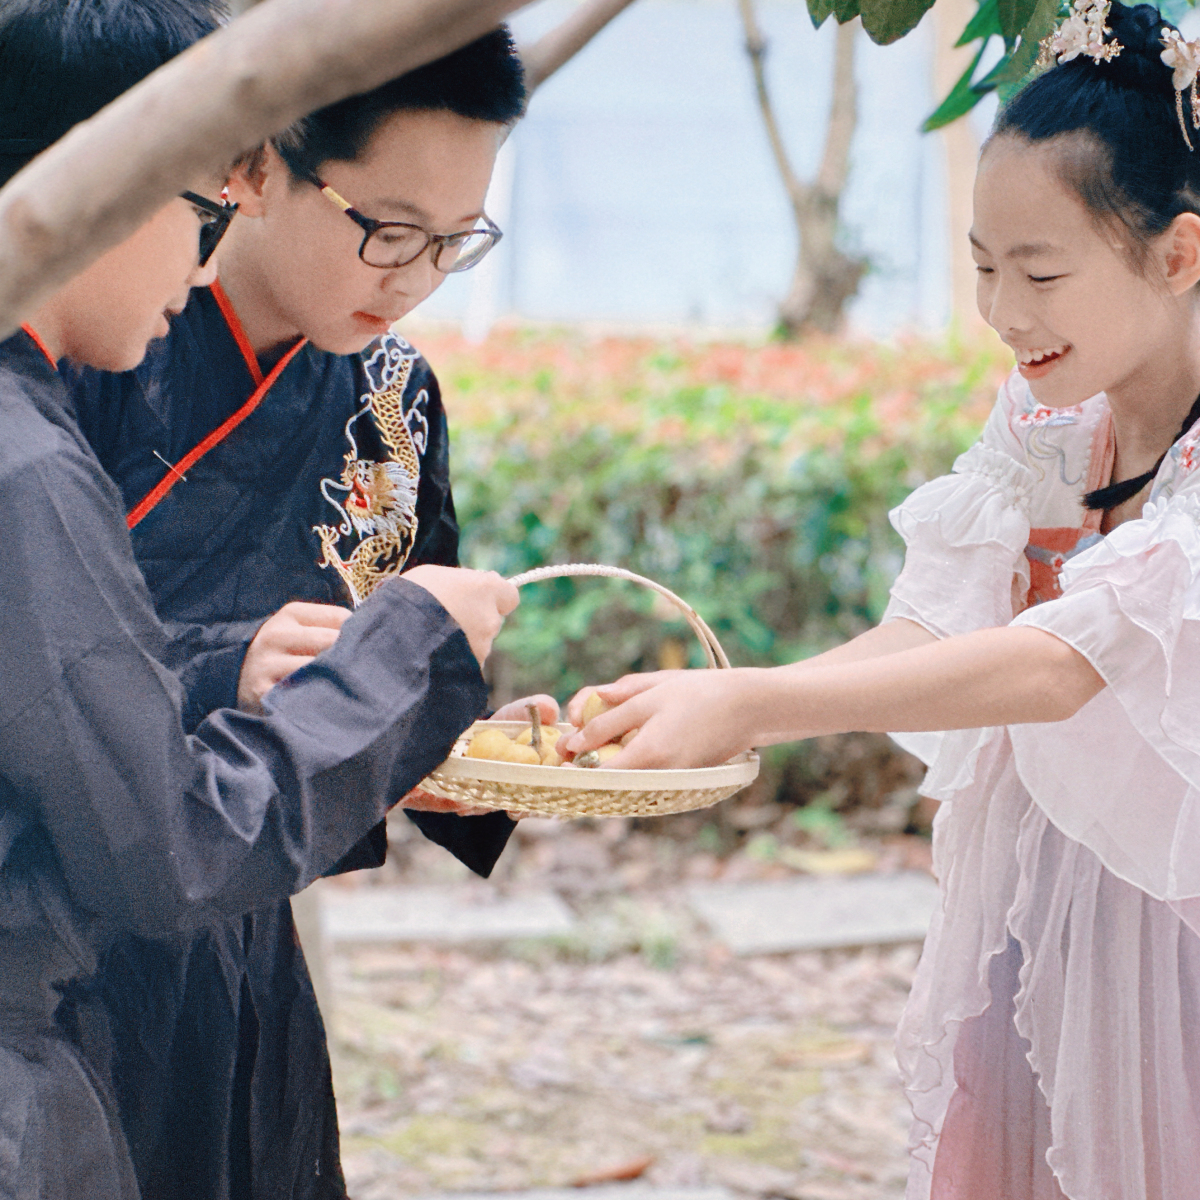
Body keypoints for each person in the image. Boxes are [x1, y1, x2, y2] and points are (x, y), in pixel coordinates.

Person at [568, 4, 1200, 1195]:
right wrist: (720, 696)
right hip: (1032, 900)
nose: (1004, 314)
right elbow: (937, 623)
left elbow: (1056, 665)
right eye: (981, 267)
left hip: (1171, 929)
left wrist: (754, 709)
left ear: (1180, 254)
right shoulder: (1050, 422)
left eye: (1042, 272)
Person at [0, 0, 519, 1195]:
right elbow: (56, 656)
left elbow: (395, 653)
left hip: (241, 902)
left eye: (457, 241)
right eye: (387, 229)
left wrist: (498, 734)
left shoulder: (394, 395)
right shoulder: (90, 344)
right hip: (90, 900)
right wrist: (228, 663)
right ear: (258, 165)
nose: (416, 279)